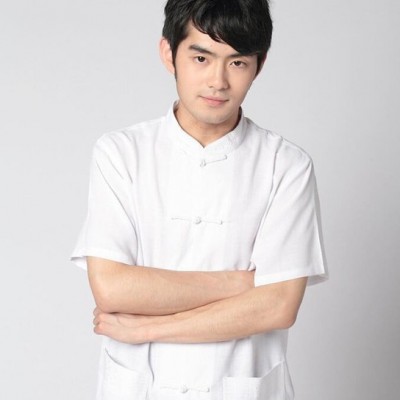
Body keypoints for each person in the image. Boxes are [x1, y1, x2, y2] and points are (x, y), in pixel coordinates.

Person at [70, 0, 328, 399]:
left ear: (259, 64)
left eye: (237, 62)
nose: (218, 81)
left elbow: (277, 307)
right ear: (168, 54)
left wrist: (146, 327)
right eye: (201, 58)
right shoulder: (121, 153)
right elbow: (112, 289)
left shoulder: (286, 166)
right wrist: (242, 283)